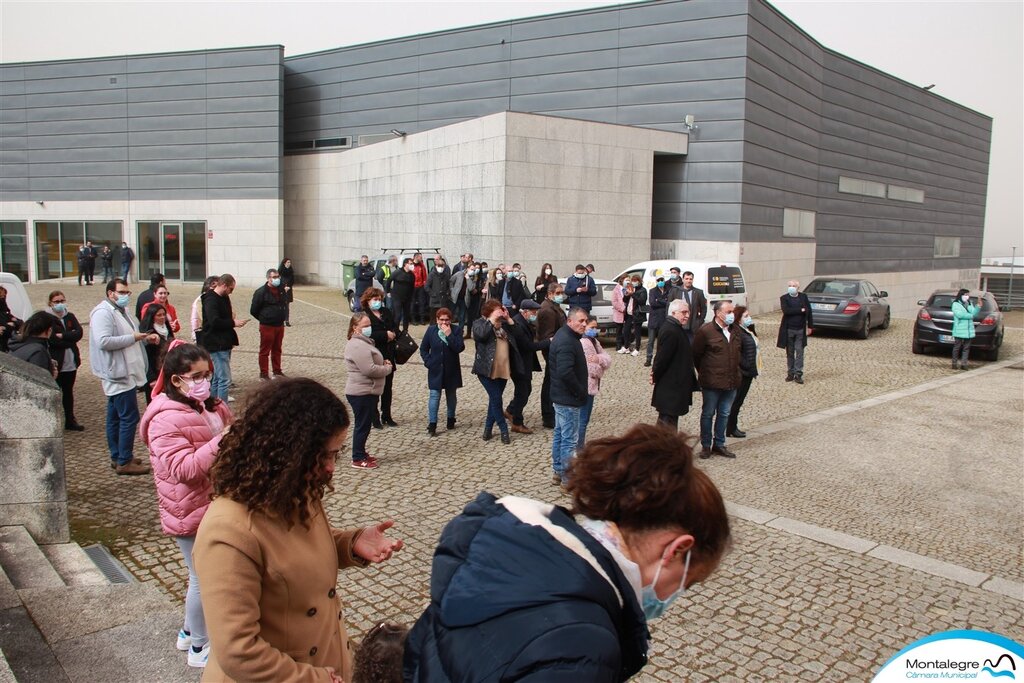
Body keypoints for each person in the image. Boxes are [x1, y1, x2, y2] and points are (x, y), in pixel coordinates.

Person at [403, 423, 731, 682]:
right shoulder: (583, 647)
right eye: (687, 583)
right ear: (676, 550)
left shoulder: (512, 542)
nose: (675, 597)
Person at [194, 377, 403, 682]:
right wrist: (311, 678)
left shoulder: (296, 491)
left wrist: (351, 543)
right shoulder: (227, 533)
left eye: (336, 454)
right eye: (323, 455)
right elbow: (238, 651)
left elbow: (295, 551)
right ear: (286, 450)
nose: (331, 467)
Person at [139, 340, 234, 669]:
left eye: (207, 374)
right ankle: (199, 646)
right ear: (176, 379)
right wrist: (224, 440)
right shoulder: (164, 419)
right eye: (196, 375)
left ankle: (187, 630)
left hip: (213, 504)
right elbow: (184, 470)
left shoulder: (209, 404)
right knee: (202, 578)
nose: (204, 381)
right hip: (188, 510)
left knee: (202, 575)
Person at [89, 278, 159, 475]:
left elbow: (132, 333)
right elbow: (103, 341)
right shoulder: (103, 313)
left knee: (115, 416)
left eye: (127, 292)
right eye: (122, 292)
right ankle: (124, 460)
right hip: (117, 372)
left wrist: (144, 337)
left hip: (126, 371)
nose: (126, 296)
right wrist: (134, 338)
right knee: (129, 417)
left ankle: (118, 455)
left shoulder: (123, 311)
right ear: (111, 293)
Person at [344, 313, 394, 469]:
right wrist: (386, 368)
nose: (368, 328)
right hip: (362, 391)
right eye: (365, 326)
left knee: (364, 425)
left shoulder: (364, 342)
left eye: (369, 325)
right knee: (362, 425)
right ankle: (357, 457)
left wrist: (382, 361)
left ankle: (361, 452)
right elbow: (368, 369)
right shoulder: (357, 345)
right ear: (355, 328)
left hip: (367, 391)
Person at [693, 300, 742, 459]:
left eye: (732, 311)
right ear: (718, 313)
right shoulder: (706, 331)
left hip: (731, 380)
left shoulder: (735, 330)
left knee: (725, 413)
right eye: (728, 312)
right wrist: (706, 372)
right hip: (711, 381)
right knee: (708, 413)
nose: (731, 315)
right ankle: (706, 445)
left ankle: (719, 444)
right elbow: (696, 355)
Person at [549, 306, 589, 485]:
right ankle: (567, 478)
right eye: (581, 321)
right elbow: (565, 372)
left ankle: (558, 470)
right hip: (568, 398)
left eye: (585, 321)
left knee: (560, 434)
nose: (584, 324)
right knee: (569, 440)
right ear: (570, 321)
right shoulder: (566, 340)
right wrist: (579, 391)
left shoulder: (567, 336)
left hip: (561, 396)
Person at [472, 299, 516, 445]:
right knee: (496, 398)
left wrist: (509, 319)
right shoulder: (480, 323)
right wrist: (491, 320)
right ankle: (504, 430)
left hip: (503, 368)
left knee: (494, 399)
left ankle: (488, 429)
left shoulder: (504, 325)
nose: (500, 312)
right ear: (489, 312)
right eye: (497, 309)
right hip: (486, 370)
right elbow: (481, 336)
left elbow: (519, 337)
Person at [199, 274, 247, 402]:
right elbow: (214, 321)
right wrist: (233, 323)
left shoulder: (224, 298)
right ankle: (221, 407)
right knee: (224, 379)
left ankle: (214, 404)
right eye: (231, 289)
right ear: (224, 285)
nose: (231, 292)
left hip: (224, 342)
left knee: (217, 378)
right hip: (216, 343)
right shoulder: (211, 299)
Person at [651, 299, 697, 430]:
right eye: (683, 312)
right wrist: (655, 375)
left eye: (688, 312)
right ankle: (663, 449)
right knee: (666, 424)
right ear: (673, 313)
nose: (687, 315)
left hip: (675, 386)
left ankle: (667, 448)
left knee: (669, 422)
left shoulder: (676, 328)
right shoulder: (671, 330)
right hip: (670, 387)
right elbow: (661, 359)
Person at [505, 299, 549, 434]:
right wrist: (548, 342)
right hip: (519, 364)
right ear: (525, 312)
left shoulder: (523, 321)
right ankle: (517, 422)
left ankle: (510, 410)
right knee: (522, 393)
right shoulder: (517, 323)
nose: (535, 315)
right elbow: (527, 346)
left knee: (526, 390)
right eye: (533, 312)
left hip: (524, 364)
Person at [419, 307, 464, 436]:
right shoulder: (431, 330)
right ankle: (432, 424)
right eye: (441, 320)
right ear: (437, 320)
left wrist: (449, 334)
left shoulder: (456, 330)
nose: (444, 323)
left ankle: (451, 418)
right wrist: (428, 362)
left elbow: (459, 347)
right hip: (435, 369)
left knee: (451, 395)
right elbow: (423, 349)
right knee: (434, 395)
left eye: (447, 320)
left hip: (451, 369)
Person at [46, 291, 84, 430]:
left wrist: (64, 336)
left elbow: (78, 333)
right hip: (57, 363)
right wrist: (69, 338)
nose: (60, 303)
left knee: (68, 392)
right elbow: (52, 340)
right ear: (50, 303)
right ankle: (53, 422)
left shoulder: (70, 316)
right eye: (56, 301)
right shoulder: (48, 319)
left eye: (62, 300)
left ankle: (70, 419)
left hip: (71, 363)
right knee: (55, 392)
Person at [362, 288, 399, 428]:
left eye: (379, 299)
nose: (377, 302)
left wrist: (393, 333)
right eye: (375, 299)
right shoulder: (365, 316)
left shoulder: (386, 312)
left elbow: (395, 327)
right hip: (375, 354)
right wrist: (385, 335)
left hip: (389, 354)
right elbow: (367, 334)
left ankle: (387, 415)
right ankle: (374, 416)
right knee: (375, 387)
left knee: (387, 387)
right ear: (368, 300)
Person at [536, 282, 568, 429]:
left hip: (558, 350)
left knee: (554, 383)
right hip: (553, 352)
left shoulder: (554, 307)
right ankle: (548, 416)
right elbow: (547, 336)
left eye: (562, 292)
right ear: (550, 294)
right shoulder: (547, 310)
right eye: (558, 293)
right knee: (549, 384)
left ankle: (552, 413)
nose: (561, 295)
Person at [578, 314, 611, 448]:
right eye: (593, 327)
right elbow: (593, 370)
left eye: (596, 327)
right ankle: (578, 447)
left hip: (591, 385)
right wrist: (600, 365)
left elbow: (607, 358)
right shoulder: (584, 343)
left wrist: (599, 360)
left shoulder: (594, 342)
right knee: (582, 419)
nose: (595, 330)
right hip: (586, 386)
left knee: (584, 419)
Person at [250, 268, 289, 381]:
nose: (277, 279)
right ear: (268, 278)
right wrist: (264, 318)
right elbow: (253, 310)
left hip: (279, 325)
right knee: (265, 350)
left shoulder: (281, 289)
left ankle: (277, 371)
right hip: (267, 325)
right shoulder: (261, 292)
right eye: (274, 277)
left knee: (277, 349)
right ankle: (264, 374)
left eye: (278, 277)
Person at [728, 306, 760, 438]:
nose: (749, 318)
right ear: (739, 319)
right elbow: (736, 352)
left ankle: (732, 426)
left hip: (749, 371)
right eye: (745, 316)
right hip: (743, 372)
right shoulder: (737, 332)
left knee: (739, 401)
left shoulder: (746, 330)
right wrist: (746, 365)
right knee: (735, 401)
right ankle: (730, 427)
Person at [776, 279, 813, 384]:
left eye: (794, 285)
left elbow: (809, 311)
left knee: (800, 351)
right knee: (790, 352)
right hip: (788, 329)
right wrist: (800, 310)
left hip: (800, 329)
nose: (791, 287)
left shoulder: (803, 297)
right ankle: (790, 373)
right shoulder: (784, 298)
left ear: (798, 288)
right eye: (790, 285)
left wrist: (810, 326)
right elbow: (786, 311)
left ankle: (798, 373)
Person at [139, 303, 174, 404]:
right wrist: (151, 378)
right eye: (159, 315)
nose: (162, 317)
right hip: (154, 373)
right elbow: (146, 357)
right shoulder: (147, 334)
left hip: (167, 371)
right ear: (152, 316)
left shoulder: (167, 329)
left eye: (164, 314)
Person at [10, 312, 58, 377]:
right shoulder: (38, 351)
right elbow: (40, 382)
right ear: (49, 330)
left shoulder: (18, 343)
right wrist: (51, 377)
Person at [668, 269, 707, 343]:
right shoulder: (675, 291)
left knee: (691, 346)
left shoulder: (698, 292)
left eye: (690, 279)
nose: (688, 281)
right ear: (683, 279)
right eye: (686, 279)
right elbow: (669, 307)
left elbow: (703, 309)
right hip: (678, 324)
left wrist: (700, 321)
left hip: (692, 326)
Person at [951, 288, 982, 370]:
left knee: (966, 348)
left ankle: (964, 364)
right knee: (957, 347)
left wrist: (978, 306)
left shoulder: (969, 303)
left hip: (968, 330)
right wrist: (970, 316)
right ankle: (954, 363)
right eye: (966, 295)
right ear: (961, 295)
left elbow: (973, 312)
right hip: (959, 329)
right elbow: (959, 315)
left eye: (968, 295)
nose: (967, 296)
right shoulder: (956, 304)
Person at [645, 277, 668, 367]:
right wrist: (663, 301)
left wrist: (659, 300)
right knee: (650, 341)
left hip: (664, 319)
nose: (660, 282)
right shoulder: (652, 291)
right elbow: (652, 303)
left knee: (662, 341)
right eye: (658, 280)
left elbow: (669, 303)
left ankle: (660, 359)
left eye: (662, 280)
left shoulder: (668, 290)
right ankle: (648, 358)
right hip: (654, 319)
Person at [449, 261, 477, 333]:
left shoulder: (473, 278)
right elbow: (451, 281)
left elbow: (471, 288)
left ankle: (460, 331)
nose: (473, 271)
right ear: (467, 268)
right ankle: (448, 328)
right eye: (471, 269)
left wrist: (468, 279)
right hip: (455, 298)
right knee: (450, 314)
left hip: (464, 299)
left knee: (462, 317)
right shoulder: (459, 274)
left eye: (474, 270)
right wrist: (452, 290)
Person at [190, 276, 219, 344]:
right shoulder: (202, 300)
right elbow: (196, 319)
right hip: (205, 336)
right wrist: (195, 336)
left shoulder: (216, 299)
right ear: (212, 286)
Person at [389, 258, 415, 333]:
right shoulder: (397, 272)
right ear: (405, 264)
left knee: (406, 315)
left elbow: (412, 286)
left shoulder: (412, 275)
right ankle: (395, 330)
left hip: (407, 298)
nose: (412, 265)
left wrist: (412, 297)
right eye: (410, 264)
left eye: (412, 264)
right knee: (398, 315)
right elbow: (389, 280)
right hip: (397, 297)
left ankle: (405, 331)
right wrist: (388, 291)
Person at [426, 255, 453, 321]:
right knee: (433, 319)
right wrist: (433, 294)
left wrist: (448, 292)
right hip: (434, 300)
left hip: (443, 300)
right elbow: (427, 286)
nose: (440, 268)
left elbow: (449, 285)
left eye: (442, 266)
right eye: (439, 266)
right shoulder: (432, 274)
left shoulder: (446, 274)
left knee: (443, 317)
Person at [611, 275, 632, 354]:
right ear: (622, 280)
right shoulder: (616, 290)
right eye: (626, 280)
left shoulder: (630, 288)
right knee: (619, 330)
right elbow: (614, 302)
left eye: (629, 280)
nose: (628, 282)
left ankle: (627, 345)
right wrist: (622, 309)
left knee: (627, 330)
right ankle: (618, 345)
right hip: (620, 312)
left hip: (629, 312)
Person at [628, 274, 648, 357]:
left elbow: (642, 301)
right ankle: (630, 346)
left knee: (637, 332)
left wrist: (633, 294)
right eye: (633, 281)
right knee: (630, 330)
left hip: (638, 313)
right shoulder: (633, 289)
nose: (634, 282)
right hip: (631, 312)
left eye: (635, 281)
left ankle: (637, 348)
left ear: (639, 281)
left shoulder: (643, 290)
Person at [0, 285, 22, 353]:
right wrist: (8, 326)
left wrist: (14, 323)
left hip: (8, 348)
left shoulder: (5, 312)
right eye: (1, 296)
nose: (3, 299)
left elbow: (20, 323)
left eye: (4, 296)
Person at [411, 252, 429, 324]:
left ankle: (422, 319)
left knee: (422, 303)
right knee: (412, 303)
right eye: (420, 257)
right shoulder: (411, 265)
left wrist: (424, 284)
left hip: (420, 286)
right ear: (416, 257)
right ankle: (413, 319)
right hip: (412, 287)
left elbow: (425, 276)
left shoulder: (422, 266)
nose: (421, 258)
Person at [278, 257, 295, 326]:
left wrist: (289, 286)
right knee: (282, 306)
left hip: (288, 290)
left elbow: (293, 280)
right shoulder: (280, 271)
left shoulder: (291, 271)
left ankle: (287, 320)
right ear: (284, 263)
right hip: (282, 290)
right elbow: (278, 281)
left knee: (287, 306)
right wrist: (283, 287)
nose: (289, 264)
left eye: (290, 262)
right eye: (288, 262)